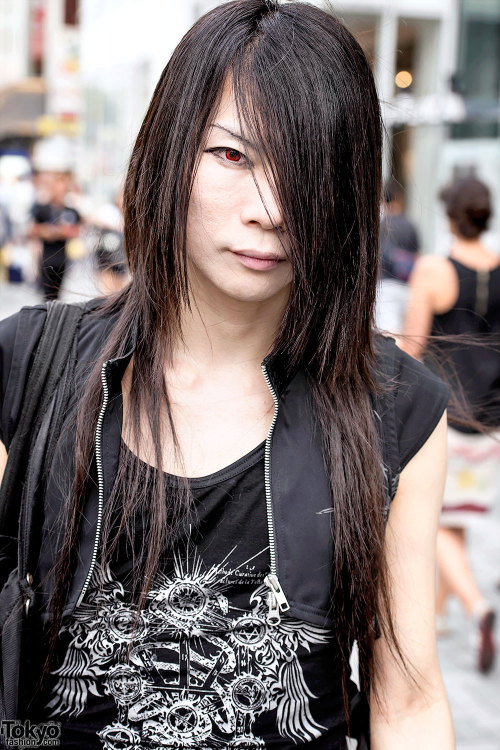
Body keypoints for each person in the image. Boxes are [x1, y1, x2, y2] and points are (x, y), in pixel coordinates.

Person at [0, 2, 454, 748]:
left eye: (306, 169)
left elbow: (407, 702)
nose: (272, 209)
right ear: (170, 150)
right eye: (233, 156)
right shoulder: (26, 366)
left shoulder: (393, 407)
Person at [403, 175, 500, 674]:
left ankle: (477, 607)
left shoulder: (435, 270)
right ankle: (438, 614)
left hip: (446, 416)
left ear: (449, 216)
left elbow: (413, 345)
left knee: (437, 521)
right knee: (456, 517)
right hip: (491, 421)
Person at [375, 178, 420, 334]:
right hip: (407, 286)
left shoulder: (380, 226)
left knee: (389, 336)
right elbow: (417, 256)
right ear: (399, 198)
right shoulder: (410, 224)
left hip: (385, 286)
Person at [27, 171, 81, 300]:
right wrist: (46, 231)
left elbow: (77, 230)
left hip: (62, 259)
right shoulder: (42, 208)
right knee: (47, 297)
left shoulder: (70, 210)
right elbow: (31, 231)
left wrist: (63, 232)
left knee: (57, 296)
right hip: (46, 258)